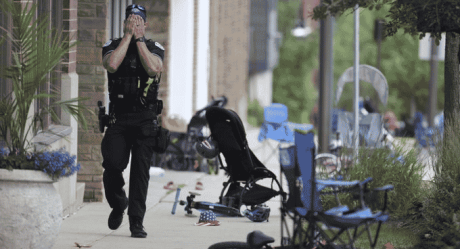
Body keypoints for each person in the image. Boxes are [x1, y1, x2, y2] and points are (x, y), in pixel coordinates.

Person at [100, 4, 164, 238]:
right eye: (131, 20)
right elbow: (112, 64)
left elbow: (153, 68)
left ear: (145, 25)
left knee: (140, 173)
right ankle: (118, 204)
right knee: (112, 165)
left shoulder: (154, 47)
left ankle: (136, 221)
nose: (135, 23)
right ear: (125, 23)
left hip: (145, 118)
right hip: (119, 117)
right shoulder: (112, 45)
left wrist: (138, 40)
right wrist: (128, 37)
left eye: (139, 21)